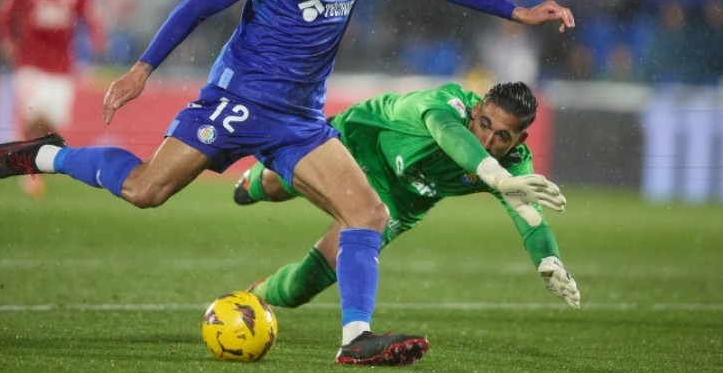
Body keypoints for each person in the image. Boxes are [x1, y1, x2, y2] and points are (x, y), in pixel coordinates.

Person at [0, 0, 575, 365]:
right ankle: (45, 155)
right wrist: (143, 68)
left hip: (299, 118)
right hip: (241, 99)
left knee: (366, 213)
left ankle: (355, 339)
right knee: (145, 190)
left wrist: (515, 11)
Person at [234, 81, 580, 311]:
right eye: (484, 124)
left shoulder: (516, 165)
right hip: (359, 143)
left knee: (301, 288)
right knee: (277, 183)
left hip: (396, 202)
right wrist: (494, 174)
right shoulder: (445, 104)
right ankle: (254, 181)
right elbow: (448, 135)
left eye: (503, 136)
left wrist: (549, 260)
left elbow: (531, 218)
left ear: (519, 141)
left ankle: (250, 300)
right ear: (476, 110)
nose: (487, 141)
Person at [0, 0, 105, 197]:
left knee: (53, 125)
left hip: (62, 67)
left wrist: (97, 38)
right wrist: (6, 39)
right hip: (30, 62)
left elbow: (91, 15)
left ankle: (37, 165)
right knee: (33, 117)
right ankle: (28, 172)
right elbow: (3, 13)